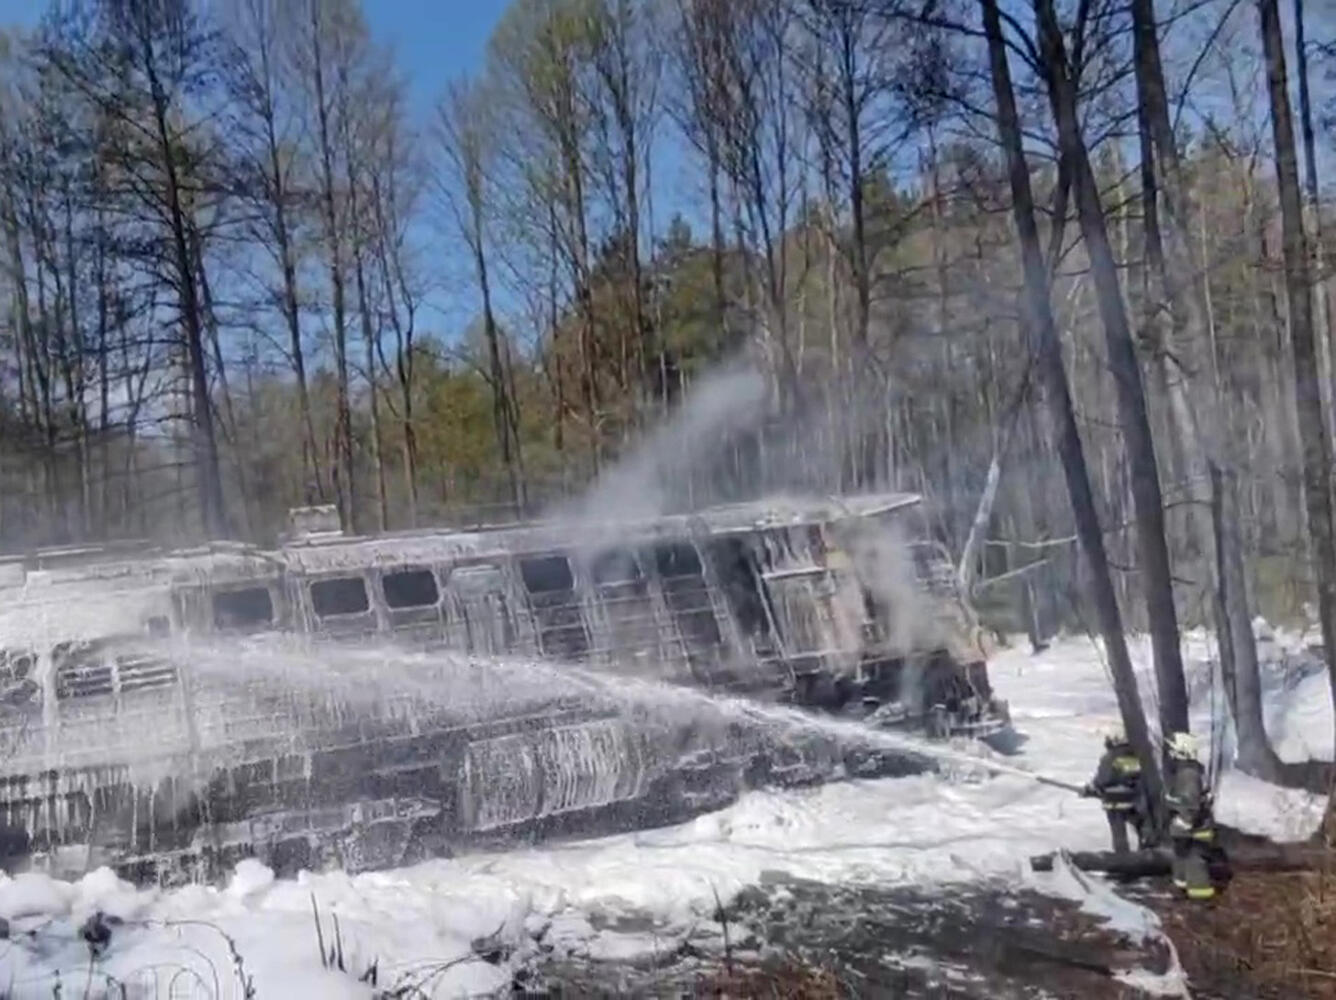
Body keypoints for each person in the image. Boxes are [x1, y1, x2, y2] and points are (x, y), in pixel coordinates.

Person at [1165, 730, 1217, 900]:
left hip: (1195, 830)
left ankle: (1202, 901)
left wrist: (1184, 822)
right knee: (1181, 859)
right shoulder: (1187, 772)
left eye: (1173, 751)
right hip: (1188, 829)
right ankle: (1181, 892)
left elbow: (1191, 804)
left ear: (1182, 752)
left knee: (1195, 864)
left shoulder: (1188, 775)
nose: (1170, 755)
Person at [1081, 725, 1149, 854]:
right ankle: (1145, 851)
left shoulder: (1110, 757)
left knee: (1119, 832)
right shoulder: (1138, 756)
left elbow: (1103, 779)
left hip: (1114, 802)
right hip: (1136, 801)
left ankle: (1122, 855)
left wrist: (1091, 789)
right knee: (1141, 828)